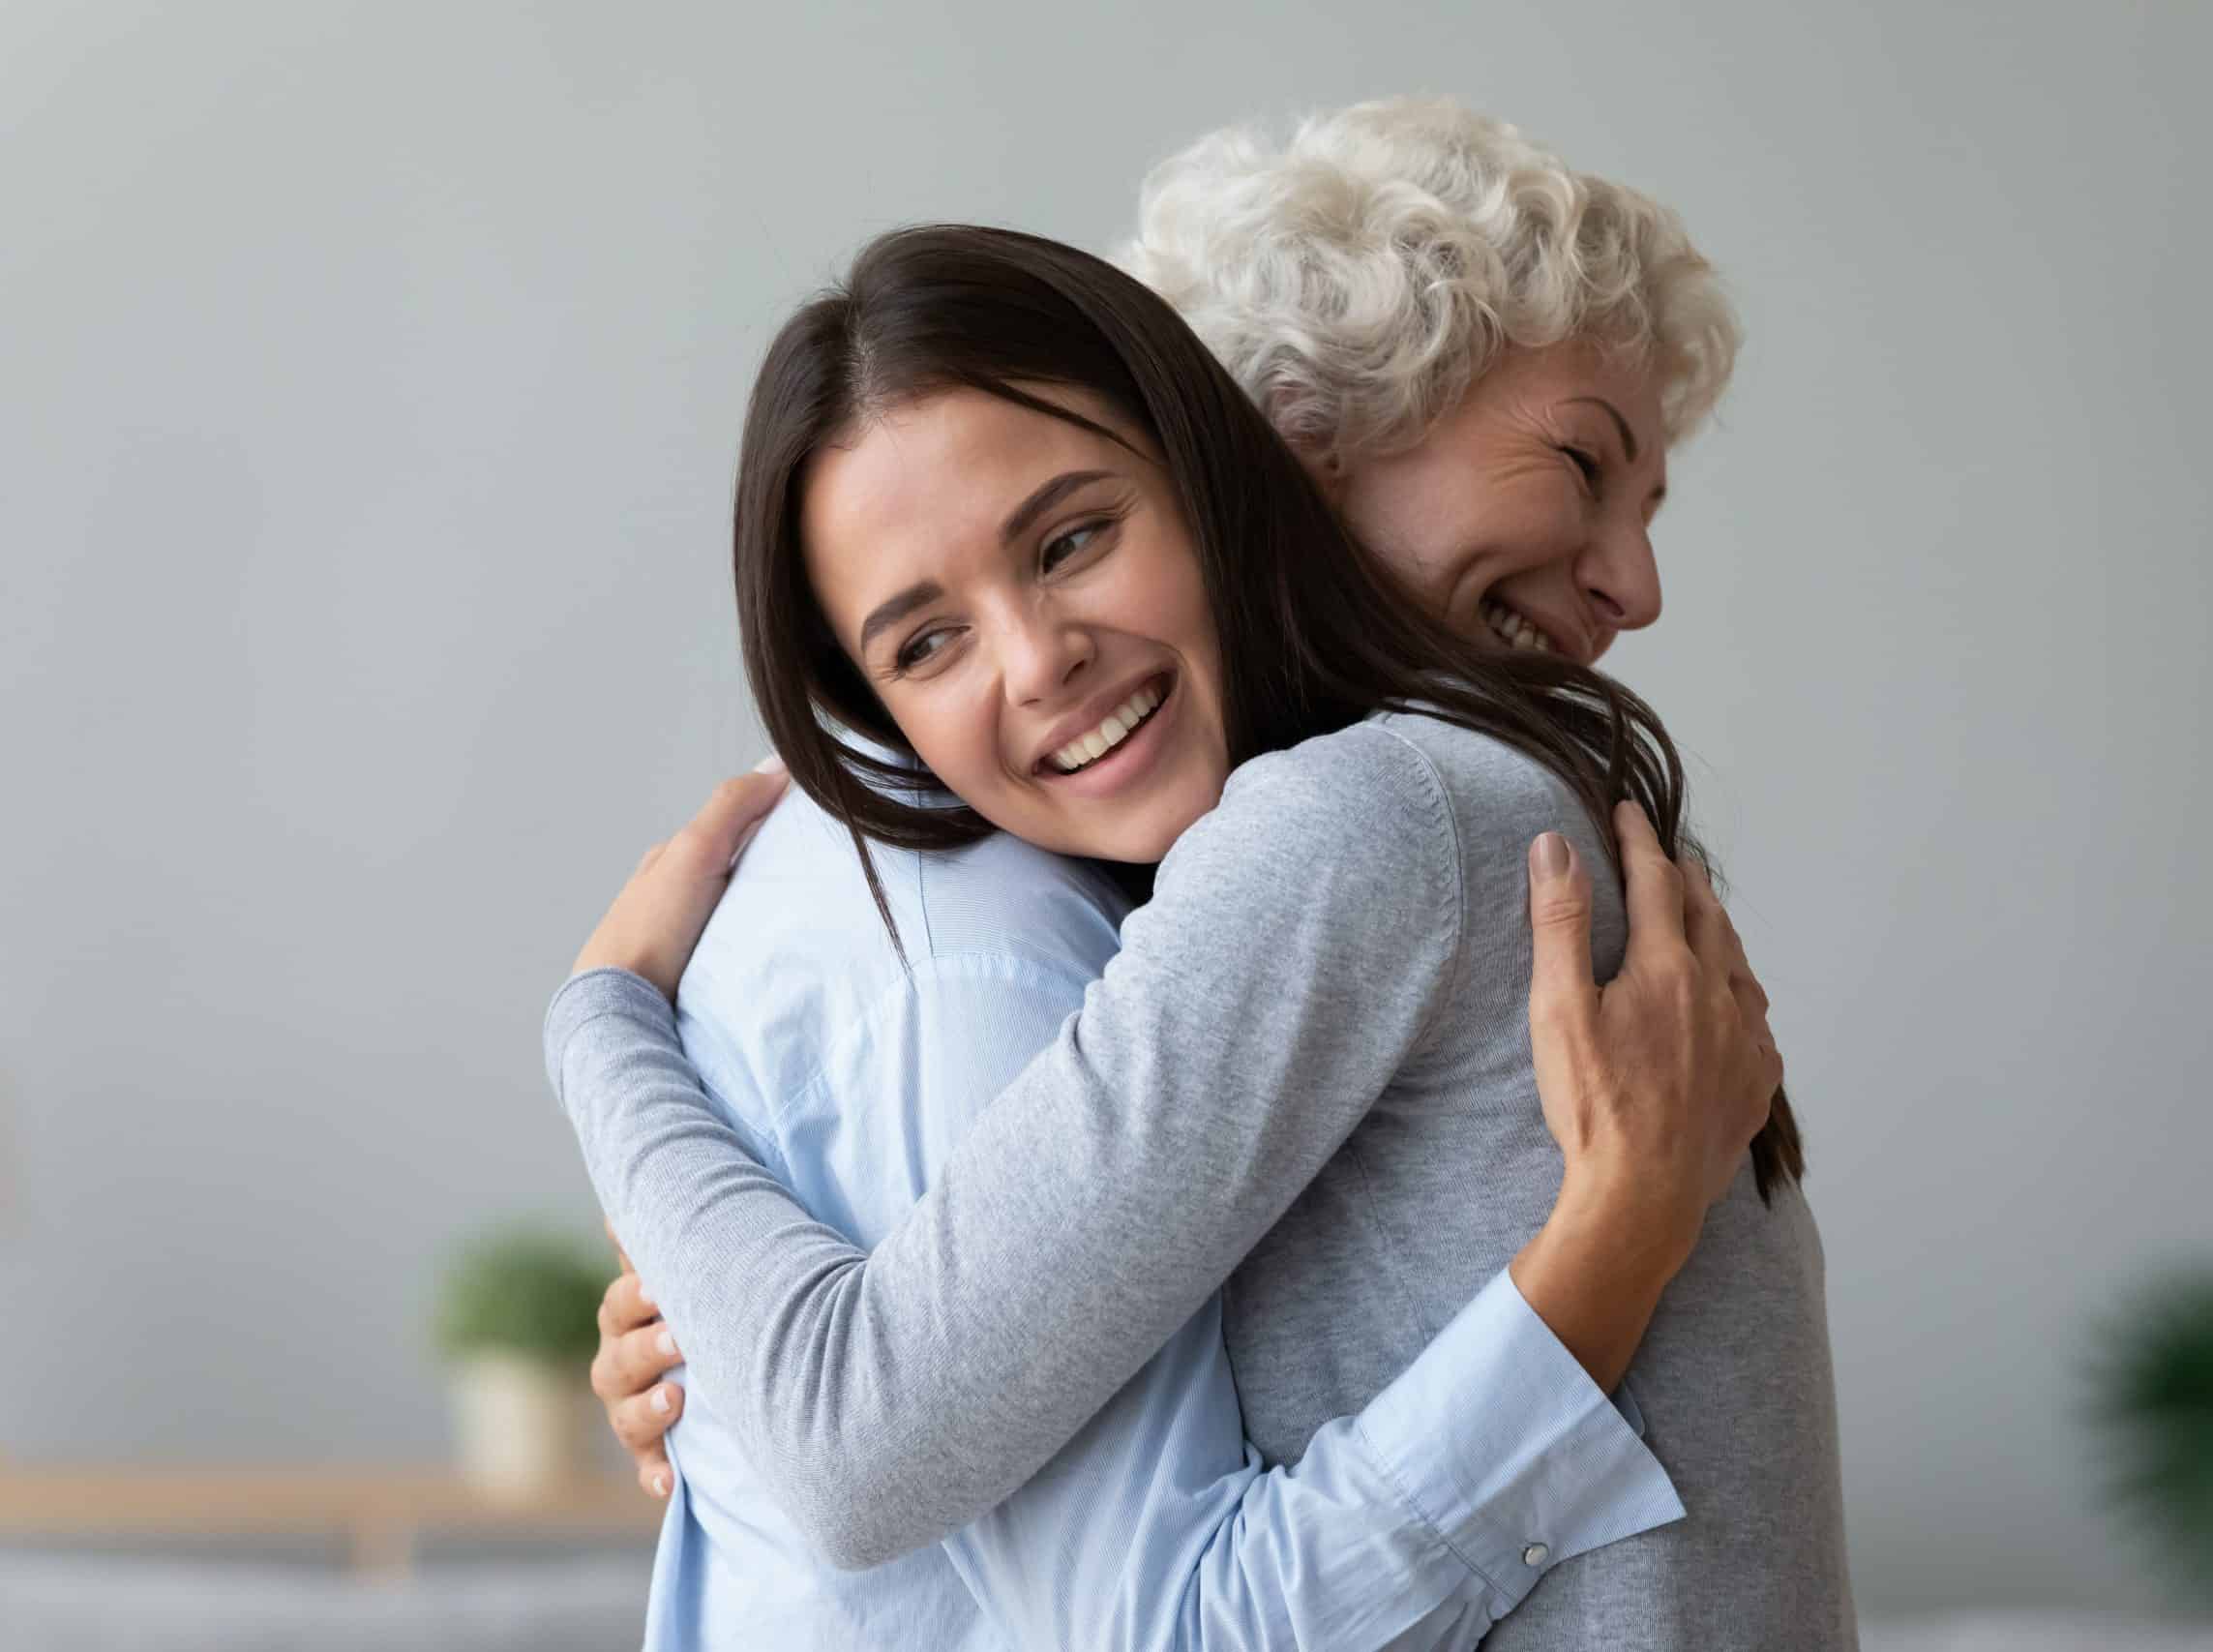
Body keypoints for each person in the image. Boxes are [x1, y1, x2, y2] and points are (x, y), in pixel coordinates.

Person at [559, 104, 1852, 1651]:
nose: (1634, 585)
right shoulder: (1420, 816)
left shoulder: (1377, 818)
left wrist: (600, 1029)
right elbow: (883, 1409)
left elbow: (859, 1437)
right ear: (1305, 425)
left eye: (1075, 539)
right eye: (1583, 466)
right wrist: (713, 1346)